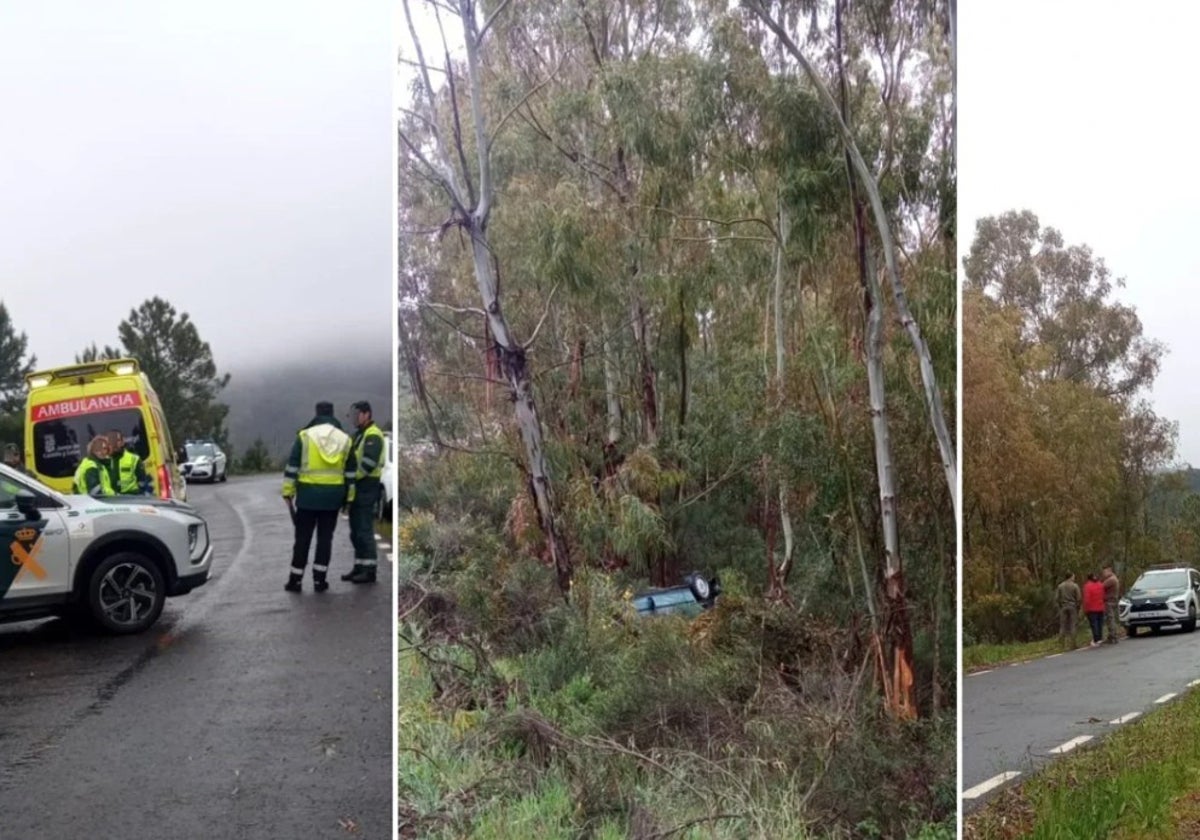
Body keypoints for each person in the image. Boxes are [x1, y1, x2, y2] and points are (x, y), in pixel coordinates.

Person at [282, 401, 356, 593]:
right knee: (325, 539)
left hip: (307, 496)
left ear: (316, 413)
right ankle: (319, 581)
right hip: (333, 498)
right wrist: (349, 498)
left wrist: (287, 492)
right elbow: (350, 474)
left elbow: (292, 467)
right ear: (332, 414)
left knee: (302, 539)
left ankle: (295, 580)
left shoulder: (305, 436)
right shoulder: (345, 439)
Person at [342, 401, 384, 585]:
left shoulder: (373, 435)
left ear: (367, 414)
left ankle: (369, 570)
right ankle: (359, 566)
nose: (354, 417)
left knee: (364, 529)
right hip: (358, 487)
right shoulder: (359, 435)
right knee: (355, 530)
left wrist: (351, 478)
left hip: (366, 485)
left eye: (357, 414)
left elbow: (367, 464)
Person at [107, 430, 152, 495]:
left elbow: (142, 482)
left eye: (118, 440)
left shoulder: (133, 458)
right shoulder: (104, 460)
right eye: (112, 441)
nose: (115, 444)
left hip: (131, 498)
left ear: (123, 442)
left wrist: (139, 495)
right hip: (111, 499)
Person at [1056, 571, 1082, 650]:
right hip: (1072, 606)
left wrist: (1061, 605)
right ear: (1070, 577)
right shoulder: (1075, 586)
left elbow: (1057, 598)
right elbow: (1079, 598)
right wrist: (1078, 606)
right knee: (1073, 625)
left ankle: (1061, 645)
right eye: (1073, 577)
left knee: (1063, 626)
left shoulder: (1060, 586)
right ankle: (1073, 644)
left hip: (1063, 607)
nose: (1074, 578)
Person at [1082, 572, 1106, 648]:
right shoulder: (1100, 585)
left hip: (1092, 608)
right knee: (1100, 624)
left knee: (1094, 624)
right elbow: (1103, 595)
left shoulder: (1087, 586)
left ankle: (1096, 639)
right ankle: (1100, 638)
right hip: (1101, 607)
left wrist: (1085, 609)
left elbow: (1087, 599)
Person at [1102, 564, 1121, 644]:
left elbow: (1101, 586)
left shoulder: (1111, 579)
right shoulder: (1114, 578)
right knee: (1111, 618)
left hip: (1109, 601)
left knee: (1110, 619)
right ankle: (1113, 635)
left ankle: (1113, 635)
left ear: (1109, 570)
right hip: (1113, 600)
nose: (1103, 574)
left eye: (1104, 572)